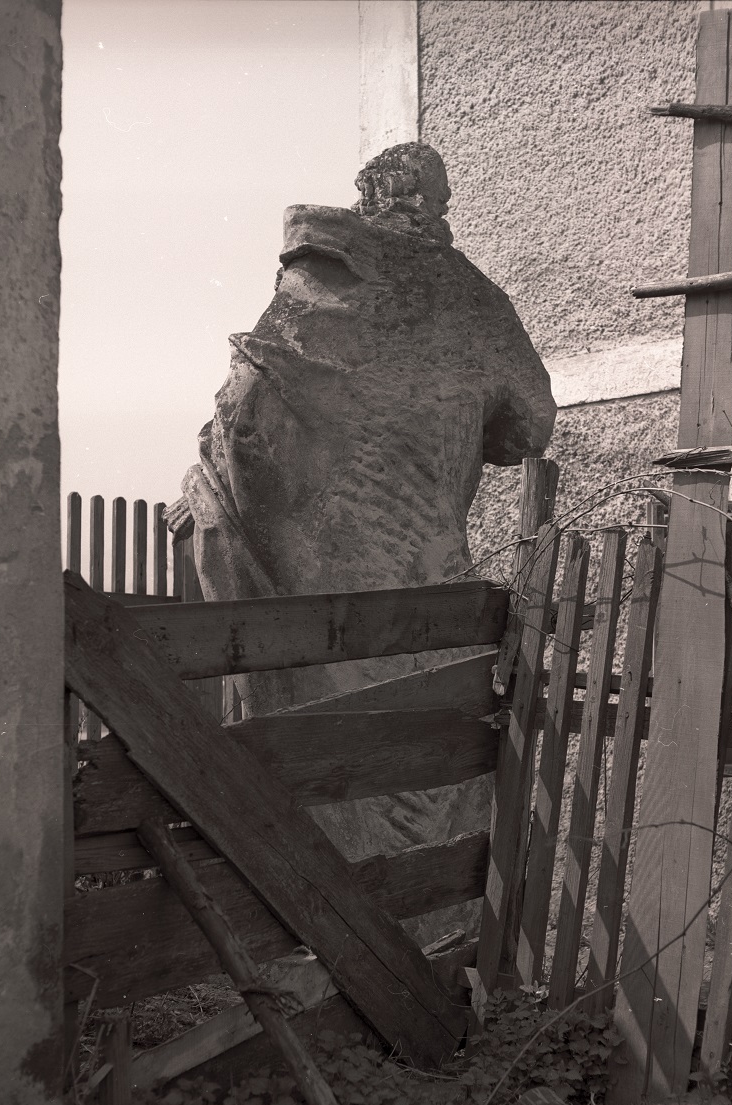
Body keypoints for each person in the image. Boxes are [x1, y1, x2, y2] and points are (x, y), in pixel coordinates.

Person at [182, 143, 555, 898]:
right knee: (422, 751)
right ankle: (417, 923)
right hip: (423, 567)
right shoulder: (472, 298)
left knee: (321, 745)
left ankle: (332, 923)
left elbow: (240, 419)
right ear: (435, 204)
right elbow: (528, 427)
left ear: (370, 196)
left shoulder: (317, 280)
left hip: (308, 575)